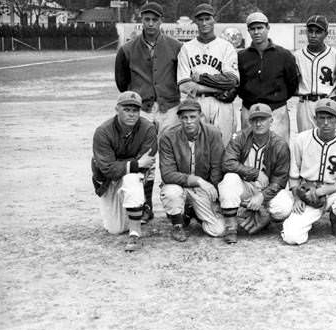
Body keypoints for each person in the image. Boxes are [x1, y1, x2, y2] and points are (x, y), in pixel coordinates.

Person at [114, 1, 182, 223]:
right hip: (143, 110)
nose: (150, 23)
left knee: (173, 155)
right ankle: (146, 206)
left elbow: (181, 76)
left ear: (161, 21)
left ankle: (179, 208)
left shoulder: (176, 46)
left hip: (169, 107)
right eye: (147, 19)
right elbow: (122, 83)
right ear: (141, 20)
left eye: (155, 19)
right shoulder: (127, 49)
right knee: (145, 158)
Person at [281, 99, 336, 245]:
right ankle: (310, 220)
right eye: (322, 118)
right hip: (308, 193)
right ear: (315, 119)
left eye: (330, 118)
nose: (326, 123)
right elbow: (293, 174)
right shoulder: (301, 139)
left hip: (334, 192)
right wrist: (297, 198)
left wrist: (322, 191)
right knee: (292, 237)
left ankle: (335, 217)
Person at [91, 91, 157, 252]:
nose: (132, 114)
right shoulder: (103, 131)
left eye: (135, 110)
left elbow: (145, 162)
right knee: (115, 229)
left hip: (132, 177)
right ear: (117, 109)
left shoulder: (148, 128)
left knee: (133, 178)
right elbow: (107, 169)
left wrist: (130, 165)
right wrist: (135, 163)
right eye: (127, 109)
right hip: (107, 181)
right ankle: (138, 209)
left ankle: (135, 233)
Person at [218, 103, 294, 243]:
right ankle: (231, 227)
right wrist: (255, 173)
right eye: (254, 120)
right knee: (229, 179)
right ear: (249, 121)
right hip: (245, 185)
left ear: (271, 121)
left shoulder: (280, 144)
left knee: (284, 206)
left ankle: (263, 216)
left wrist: (262, 197)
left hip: (267, 188)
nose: (258, 123)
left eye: (263, 119)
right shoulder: (240, 137)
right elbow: (227, 163)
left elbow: (280, 180)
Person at [158, 99, 227, 243]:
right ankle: (177, 224)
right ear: (179, 119)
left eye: (192, 117)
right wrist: (198, 180)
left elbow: (217, 168)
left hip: (204, 188)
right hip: (180, 185)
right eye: (184, 117)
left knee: (218, 230)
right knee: (171, 192)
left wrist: (215, 197)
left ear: (200, 116)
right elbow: (167, 174)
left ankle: (193, 211)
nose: (188, 121)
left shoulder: (213, 133)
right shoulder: (168, 136)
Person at [177, 3, 240, 146]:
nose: (204, 23)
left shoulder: (226, 47)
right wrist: (218, 88)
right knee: (197, 148)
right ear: (196, 22)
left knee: (224, 146)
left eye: (208, 18)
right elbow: (185, 85)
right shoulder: (186, 48)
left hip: (222, 104)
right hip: (196, 103)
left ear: (214, 20)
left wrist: (200, 80)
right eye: (201, 19)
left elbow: (231, 81)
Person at [238, 12, 299, 143]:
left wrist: (277, 98)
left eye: (260, 28)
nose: (256, 32)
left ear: (267, 28)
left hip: (276, 110)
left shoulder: (284, 55)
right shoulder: (241, 56)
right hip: (249, 109)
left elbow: (292, 84)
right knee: (249, 152)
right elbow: (239, 85)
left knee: (279, 151)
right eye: (252, 29)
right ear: (248, 30)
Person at [294, 14, 336, 132]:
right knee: (305, 141)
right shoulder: (297, 56)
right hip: (305, 104)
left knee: (329, 142)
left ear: (326, 34)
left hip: (329, 102)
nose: (313, 35)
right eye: (310, 31)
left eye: (318, 32)